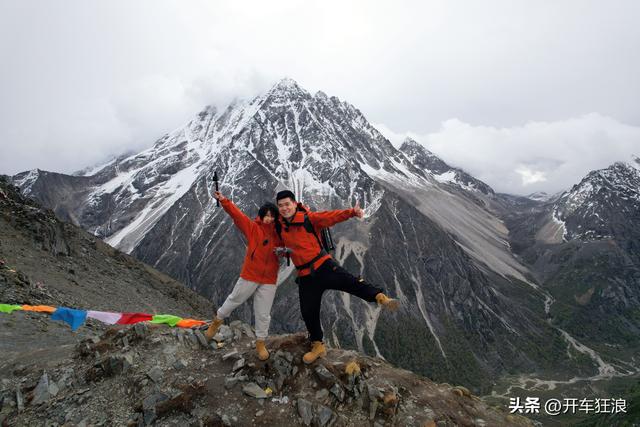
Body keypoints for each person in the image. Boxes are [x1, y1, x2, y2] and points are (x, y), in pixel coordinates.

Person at [275, 190, 399, 364]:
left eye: (287, 204)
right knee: (308, 312)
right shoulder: (280, 226)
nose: (284, 208)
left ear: (295, 204)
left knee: (350, 281)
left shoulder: (308, 218)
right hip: (305, 276)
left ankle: (381, 298)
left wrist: (351, 212)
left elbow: (330, 217)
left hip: (323, 265)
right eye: (280, 205)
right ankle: (318, 346)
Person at [205, 191, 281, 361]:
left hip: (269, 279)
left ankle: (260, 342)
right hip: (251, 274)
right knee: (234, 299)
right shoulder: (253, 228)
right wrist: (224, 200)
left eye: (272, 216)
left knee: (263, 313)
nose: (269, 219)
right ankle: (217, 322)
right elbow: (237, 215)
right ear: (261, 216)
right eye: (266, 215)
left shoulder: (279, 235)